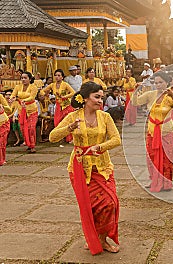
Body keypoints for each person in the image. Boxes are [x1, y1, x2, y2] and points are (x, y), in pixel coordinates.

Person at [49, 81, 121, 254]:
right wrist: (69, 128)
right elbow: (52, 137)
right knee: (90, 207)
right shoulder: (73, 117)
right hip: (80, 168)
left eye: (101, 98)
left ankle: (102, 239)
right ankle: (94, 239)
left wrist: (100, 147)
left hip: (102, 168)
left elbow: (116, 139)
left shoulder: (105, 117)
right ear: (85, 98)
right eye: (97, 97)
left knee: (110, 203)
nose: (100, 101)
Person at [131, 71, 173, 192]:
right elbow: (135, 102)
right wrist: (135, 91)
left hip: (167, 131)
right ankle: (154, 180)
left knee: (166, 158)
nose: (158, 85)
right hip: (152, 131)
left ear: (167, 82)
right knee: (151, 157)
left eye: (161, 82)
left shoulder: (170, 96)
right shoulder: (150, 94)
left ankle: (166, 183)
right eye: (156, 83)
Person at [41, 69, 75, 144]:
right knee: (57, 122)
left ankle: (70, 138)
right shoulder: (52, 85)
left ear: (62, 77)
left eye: (59, 75)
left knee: (67, 121)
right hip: (58, 105)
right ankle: (60, 137)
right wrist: (46, 94)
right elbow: (42, 91)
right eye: (55, 75)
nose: (57, 77)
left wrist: (64, 97)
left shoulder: (65, 84)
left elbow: (73, 92)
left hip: (66, 105)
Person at [10, 71, 38, 153]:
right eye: (22, 78)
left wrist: (23, 100)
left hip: (31, 110)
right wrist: (12, 98)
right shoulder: (18, 87)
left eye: (25, 78)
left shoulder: (33, 87)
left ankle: (32, 145)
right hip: (21, 111)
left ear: (30, 79)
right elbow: (13, 94)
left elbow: (32, 98)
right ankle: (28, 144)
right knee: (23, 128)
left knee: (31, 128)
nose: (23, 79)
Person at [0, 93, 12, 165]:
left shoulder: (0, 96)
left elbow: (9, 109)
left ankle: (2, 159)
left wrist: (2, 107)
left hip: (2, 122)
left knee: (2, 142)